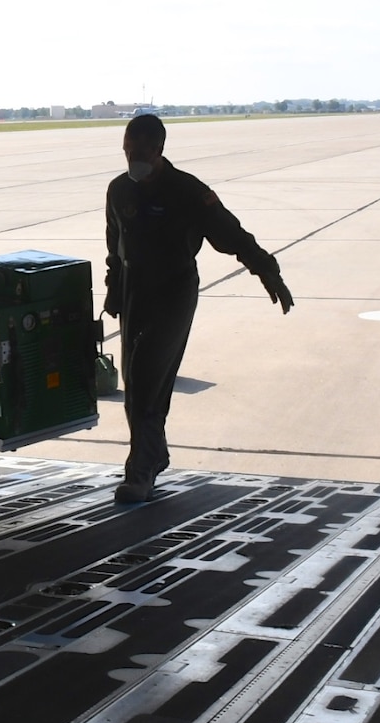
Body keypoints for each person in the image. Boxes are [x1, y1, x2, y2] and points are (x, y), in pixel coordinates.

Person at [104, 114, 292, 503]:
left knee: (146, 379)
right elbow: (114, 247)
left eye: (139, 151)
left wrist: (267, 271)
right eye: (127, 150)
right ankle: (153, 454)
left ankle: (140, 472)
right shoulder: (118, 190)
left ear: (159, 149)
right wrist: (112, 291)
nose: (132, 158)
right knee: (135, 385)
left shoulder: (187, 190)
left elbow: (231, 233)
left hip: (173, 292)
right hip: (134, 291)